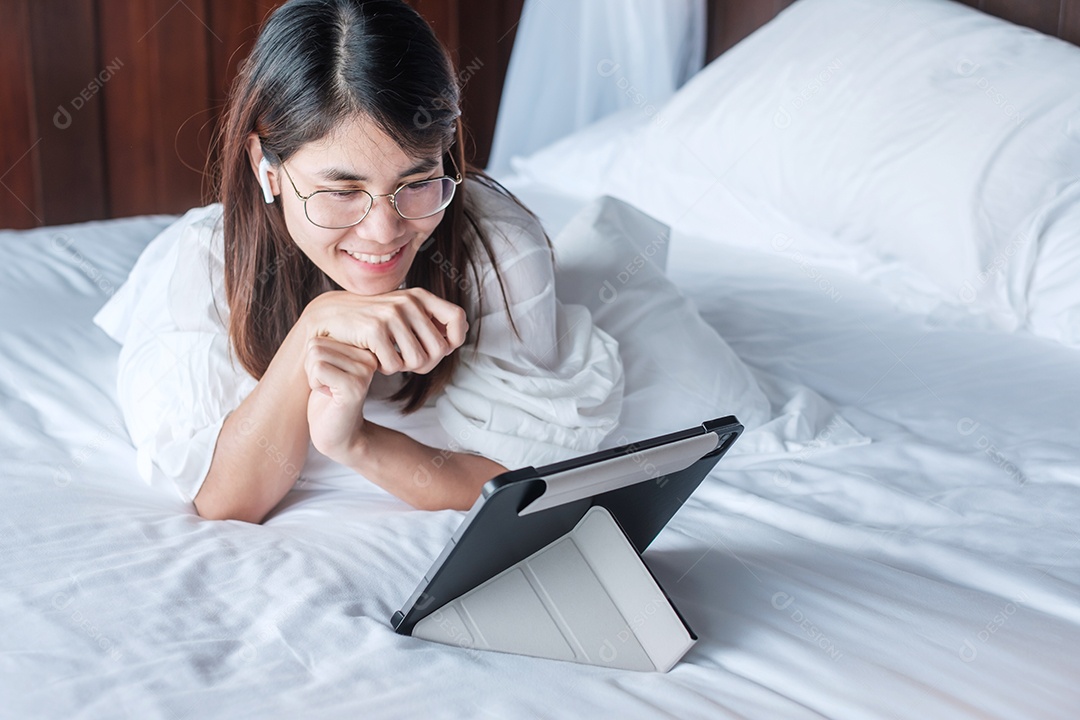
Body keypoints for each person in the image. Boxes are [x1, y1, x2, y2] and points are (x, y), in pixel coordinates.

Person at [93, 0, 624, 524]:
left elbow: (512, 483)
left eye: (415, 183)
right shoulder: (211, 257)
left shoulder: (499, 249)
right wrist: (316, 325)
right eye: (343, 191)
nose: (384, 232)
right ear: (267, 168)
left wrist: (358, 441)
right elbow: (225, 500)